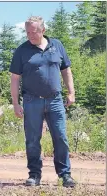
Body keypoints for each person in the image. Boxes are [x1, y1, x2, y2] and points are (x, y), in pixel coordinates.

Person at [9, 16, 76, 187]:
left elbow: (66, 70)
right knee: (32, 139)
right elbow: (15, 78)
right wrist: (16, 103)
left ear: (43, 30)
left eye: (34, 31)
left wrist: (71, 92)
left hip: (55, 101)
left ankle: (65, 175)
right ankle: (34, 175)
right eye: (28, 32)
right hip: (32, 101)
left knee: (60, 137)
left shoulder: (57, 46)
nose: (31, 35)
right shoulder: (22, 50)